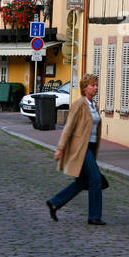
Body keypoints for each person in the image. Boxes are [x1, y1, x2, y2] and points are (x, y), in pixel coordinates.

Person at [46, 73, 106, 225]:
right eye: (92, 85)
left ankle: (55, 203)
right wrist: (60, 148)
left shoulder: (94, 105)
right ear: (85, 88)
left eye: (96, 85)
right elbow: (69, 126)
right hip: (81, 147)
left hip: (91, 147)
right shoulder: (79, 104)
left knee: (82, 182)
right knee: (96, 179)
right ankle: (94, 216)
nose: (96, 87)